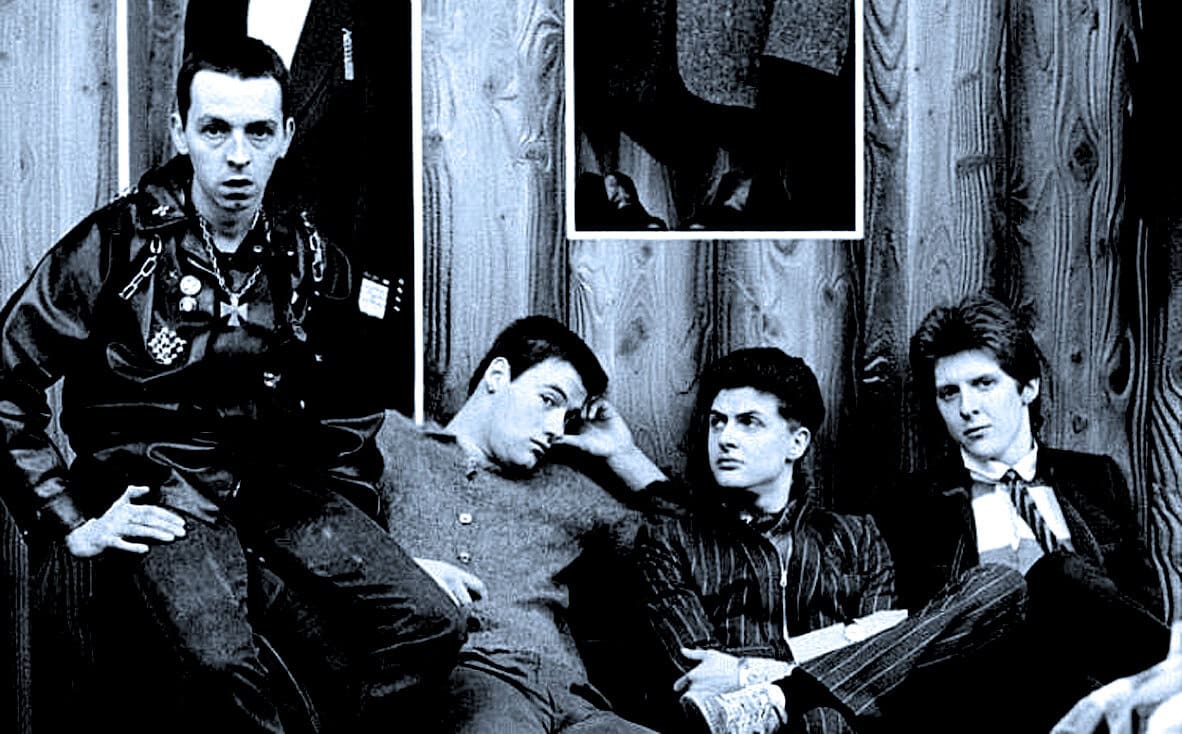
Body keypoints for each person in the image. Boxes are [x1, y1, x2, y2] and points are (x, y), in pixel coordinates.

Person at [0, 37, 463, 732]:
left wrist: (358, 530)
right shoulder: (116, 244)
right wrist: (72, 521)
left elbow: (347, 411)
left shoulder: (306, 254)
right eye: (215, 129)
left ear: (286, 137)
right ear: (181, 131)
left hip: (279, 491)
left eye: (257, 132)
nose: (237, 157)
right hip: (160, 490)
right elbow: (7, 379)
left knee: (432, 622)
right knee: (222, 666)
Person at [632, 347, 1026, 733]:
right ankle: (789, 700)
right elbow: (697, 673)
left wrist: (747, 672)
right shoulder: (669, 541)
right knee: (823, 716)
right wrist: (842, 636)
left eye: (749, 422)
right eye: (718, 422)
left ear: (797, 443)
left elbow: (885, 654)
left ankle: (783, 699)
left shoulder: (857, 537)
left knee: (997, 582)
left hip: (844, 726)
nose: (725, 438)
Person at [882, 292, 1169, 731]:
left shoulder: (1096, 479)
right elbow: (919, 631)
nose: (967, 408)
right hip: (982, 696)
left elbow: (1138, 612)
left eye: (984, 383)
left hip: (1097, 686)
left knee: (1062, 577)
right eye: (948, 393)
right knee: (1029, 584)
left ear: (1027, 387)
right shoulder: (916, 502)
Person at [377, 315, 672, 733]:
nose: (555, 429)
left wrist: (624, 456)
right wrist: (403, 575)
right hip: (476, 681)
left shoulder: (569, 488)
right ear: (498, 375)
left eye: (568, 418)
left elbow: (683, 546)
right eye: (549, 400)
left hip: (576, 699)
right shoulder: (395, 443)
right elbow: (298, 524)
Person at [184, 0, 415, 413]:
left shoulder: (374, 11)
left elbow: (387, 152)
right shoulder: (212, 6)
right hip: (225, 271)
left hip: (334, 286)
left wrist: (368, 293)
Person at [599, 171, 667, 231]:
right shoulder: (608, 219)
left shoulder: (635, 214)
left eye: (611, 185)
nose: (607, 189)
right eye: (607, 186)